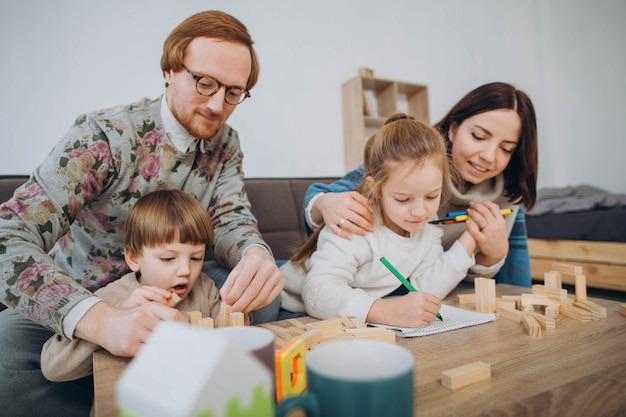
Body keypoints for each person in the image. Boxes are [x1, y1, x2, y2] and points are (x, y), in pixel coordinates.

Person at [0, 10, 283, 417]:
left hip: (174, 283)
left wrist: (254, 253)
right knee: (7, 348)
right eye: (205, 83)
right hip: (90, 293)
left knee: (263, 298)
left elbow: (230, 217)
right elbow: (8, 236)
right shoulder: (104, 135)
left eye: (234, 92)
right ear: (169, 70)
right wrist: (99, 321)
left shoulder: (226, 143)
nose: (218, 104)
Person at [303, 82, 538, 285]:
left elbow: (513, 290)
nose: (488, 155)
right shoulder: (415, 161)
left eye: (506, 148)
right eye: (478, 136)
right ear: (454, 130)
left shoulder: (509, 197)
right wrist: (324, 204)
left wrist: (493, 257)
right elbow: (323, 195)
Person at [280, 114, 477, 328]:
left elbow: (424, 291)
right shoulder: (356, 223)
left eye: (432, 196)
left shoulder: (428, 230)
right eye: (403, 199)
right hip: (291, 310)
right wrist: (382, 310)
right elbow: (318, 293)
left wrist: (471, 238)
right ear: (375, 188)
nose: (420, 212)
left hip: (343, 316)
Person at [41, 189, 230, 382]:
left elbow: (223, 343)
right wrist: (112, 321)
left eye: (196, 258)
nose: (185, 270)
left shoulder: (204, 288)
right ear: (133, 258)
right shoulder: (111, 299)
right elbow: (52, 368)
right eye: (168, 258)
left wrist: (236, 320)